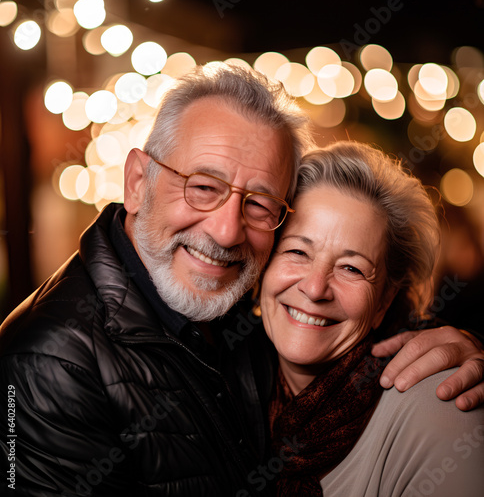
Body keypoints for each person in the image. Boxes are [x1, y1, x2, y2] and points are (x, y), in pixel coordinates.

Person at [0, 64, 482, 496]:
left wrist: (457, 346)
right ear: (137, 182)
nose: (227, 231)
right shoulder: (50, 363)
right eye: (204, 187)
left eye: (257, 204)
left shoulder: (230, 308)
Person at [260, 141, 484, 496]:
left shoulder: (439, 411)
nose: (316, 288)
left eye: (351, 267)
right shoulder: (227, 379)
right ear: (263, 265)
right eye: (297, 251)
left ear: (385, 301)